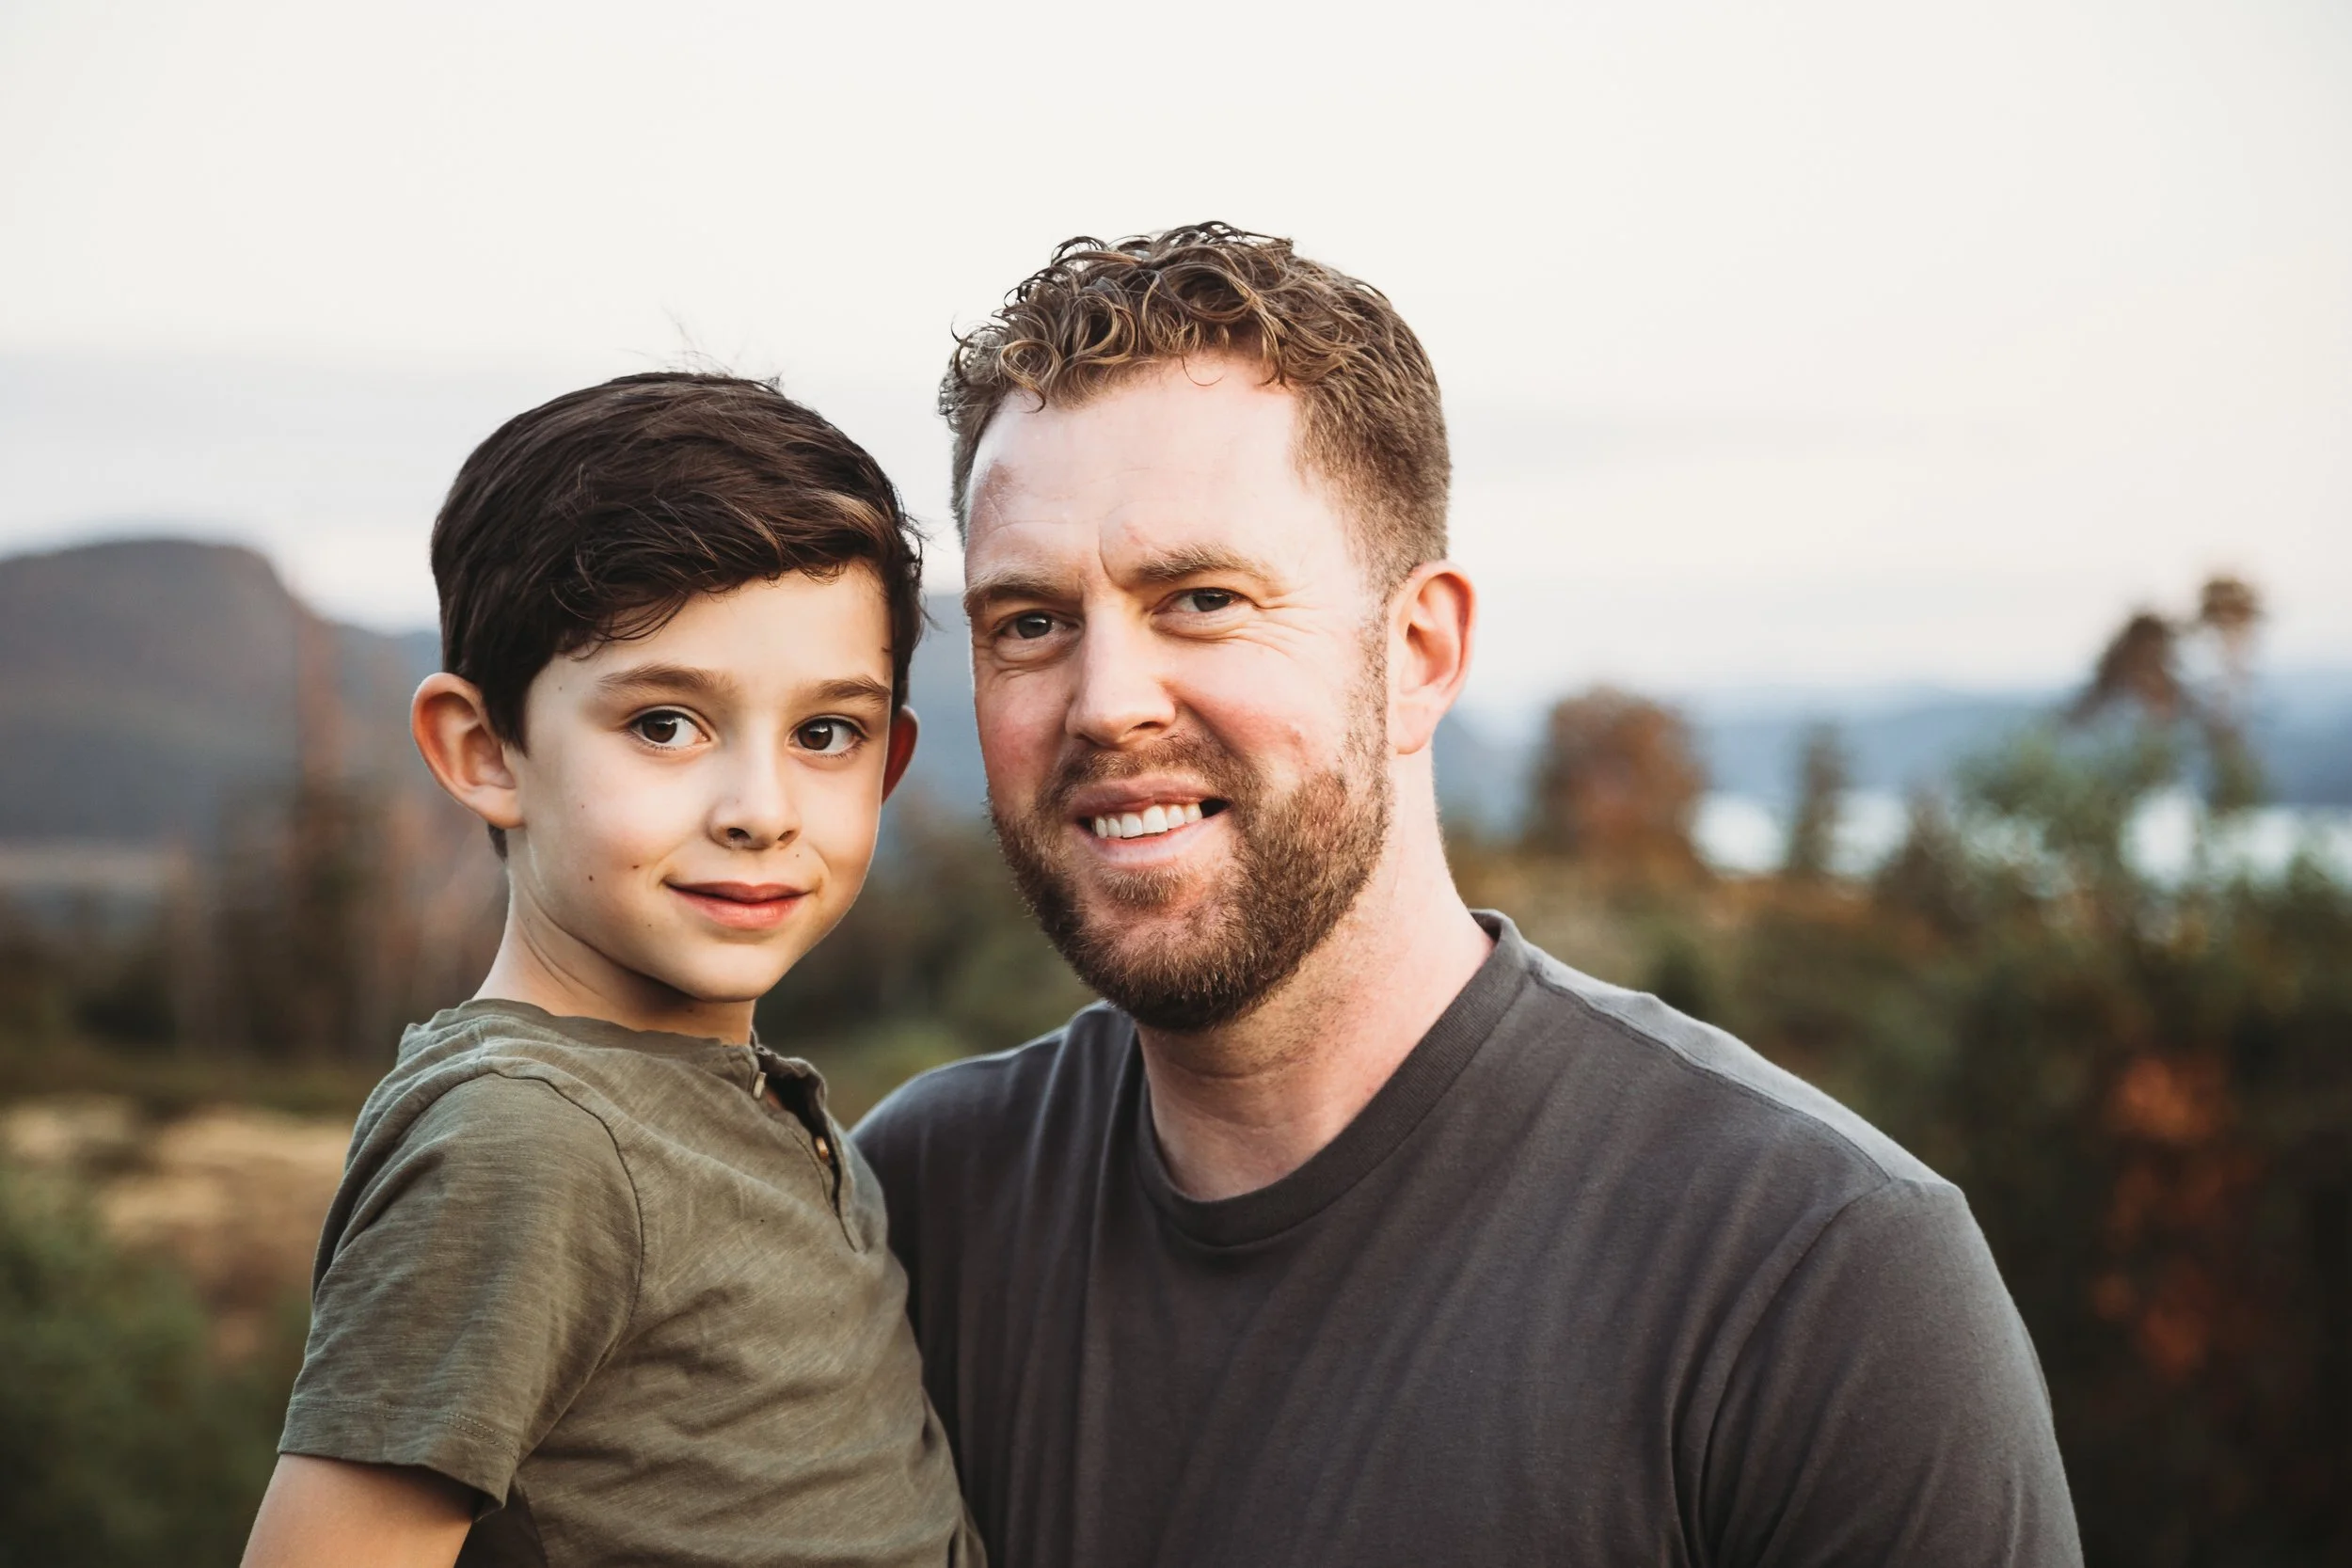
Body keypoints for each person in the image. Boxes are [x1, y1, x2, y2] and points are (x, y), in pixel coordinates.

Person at [856, 225, 2083, 1566]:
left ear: (1421, 651)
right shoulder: (920, 1205)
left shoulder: (1818, 1282)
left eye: (1202, 598)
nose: (1106, 703)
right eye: (1029, 622)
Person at [243, 374, 979, 1568]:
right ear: (486, 752)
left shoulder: (725, 1095)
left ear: (887, 760)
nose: (759, 809)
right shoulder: (526, 1140)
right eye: (664, 724)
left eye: (824, 732)